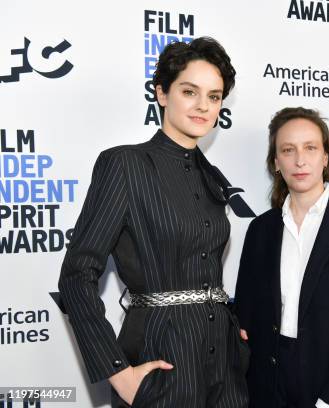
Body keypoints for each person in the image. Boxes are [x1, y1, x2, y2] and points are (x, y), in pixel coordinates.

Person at [58, 37, 248, 408]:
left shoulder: (212, 178)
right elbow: (76, 275)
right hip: (160, 360)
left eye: (214, 96)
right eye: (189, 91)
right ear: (161, 93)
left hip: (225, 370)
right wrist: (119, 373)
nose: (203, 106)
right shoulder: (125, 165)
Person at [234, 107, 329, 408]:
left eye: (310, 148)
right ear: (276, 163)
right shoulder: (260, 230)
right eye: (288, 150)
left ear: (326, 157)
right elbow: (246, 315)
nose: (300, 160)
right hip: (267, 388)